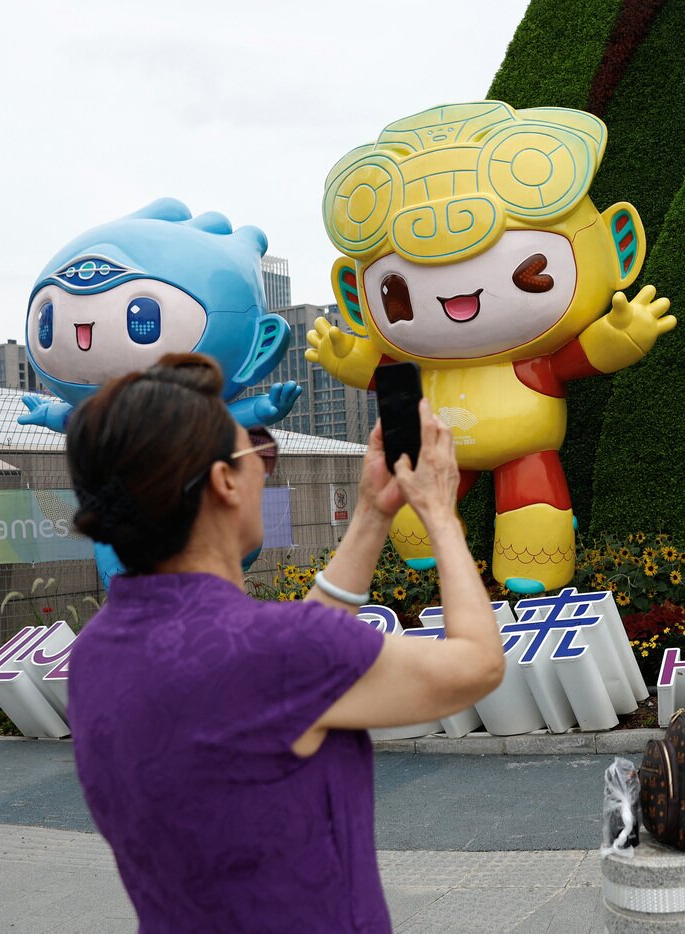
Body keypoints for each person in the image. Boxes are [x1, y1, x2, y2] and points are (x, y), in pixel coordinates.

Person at [64, 353, 505, 933]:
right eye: (258, 451)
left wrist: (373, 512)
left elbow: (287, 676)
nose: (263, 468)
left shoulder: (96, 652)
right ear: (223, 482)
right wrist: (440, 514)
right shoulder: (274, 653)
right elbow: (478, 664)